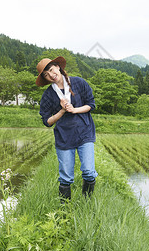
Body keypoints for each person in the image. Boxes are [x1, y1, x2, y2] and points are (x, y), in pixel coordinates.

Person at [36, 56, 98, 202]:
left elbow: (91, 104)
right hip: (64, 137)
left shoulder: (79, 83)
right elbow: (47, 121)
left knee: (89, 171)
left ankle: (86, 203)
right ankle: (65, 210)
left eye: (51, 70)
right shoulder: (48, 95)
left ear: (58, 67)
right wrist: (62, 111)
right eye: (46, 74)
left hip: (84, 133)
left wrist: (74, 110)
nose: (51, 75)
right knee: (65, 177)